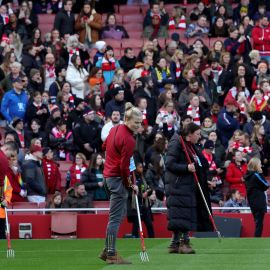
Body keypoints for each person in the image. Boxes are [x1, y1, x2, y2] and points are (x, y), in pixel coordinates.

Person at [98, 103, 140, 264]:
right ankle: (110, 253)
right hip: (117, 180)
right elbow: (123, 167)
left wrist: (115, 154)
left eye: (140, 122)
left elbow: (103, 146)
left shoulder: (113, 129)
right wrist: (130, 184)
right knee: (115, 218)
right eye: (136, 122)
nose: (138, 126)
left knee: (118, 214)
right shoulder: (129, 139)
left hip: (107, 178)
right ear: (127, 119)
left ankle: (106, 249)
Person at [165, 122, 212, 254]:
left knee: (182, 215)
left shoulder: (191, 145)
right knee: (184, 214)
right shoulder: (177, 143)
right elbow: (169, 164)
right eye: (197, 134)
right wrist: (186, 168)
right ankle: (184, 243)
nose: (199, 137)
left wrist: (203, 180)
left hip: (186, 185)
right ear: (189, 134)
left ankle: (174, 244)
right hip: (179, 186)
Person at [127, 161, 155, 238]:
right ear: (135, 168)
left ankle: (152, 240)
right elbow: (129, 194)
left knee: (149, 224)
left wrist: (149, 191)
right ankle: (134, 240)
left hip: (144, 205)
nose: (142, 169)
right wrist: (140, 195)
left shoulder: (144, 178)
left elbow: (149, 187)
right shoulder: (130, 179)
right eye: (140, 167)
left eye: (142, 167)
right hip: (135, 205)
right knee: (136, 225)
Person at [244, 157, 268, 237]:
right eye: (260, 164)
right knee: (259, 224)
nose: (261, 166)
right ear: (255, 165)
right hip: (258, 202)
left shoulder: (248, 176)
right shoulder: (255, 176)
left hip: (253, 201)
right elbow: (265, 186)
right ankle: (256, 239)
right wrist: (261, 174)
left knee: (258, 223)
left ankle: (257, 239)